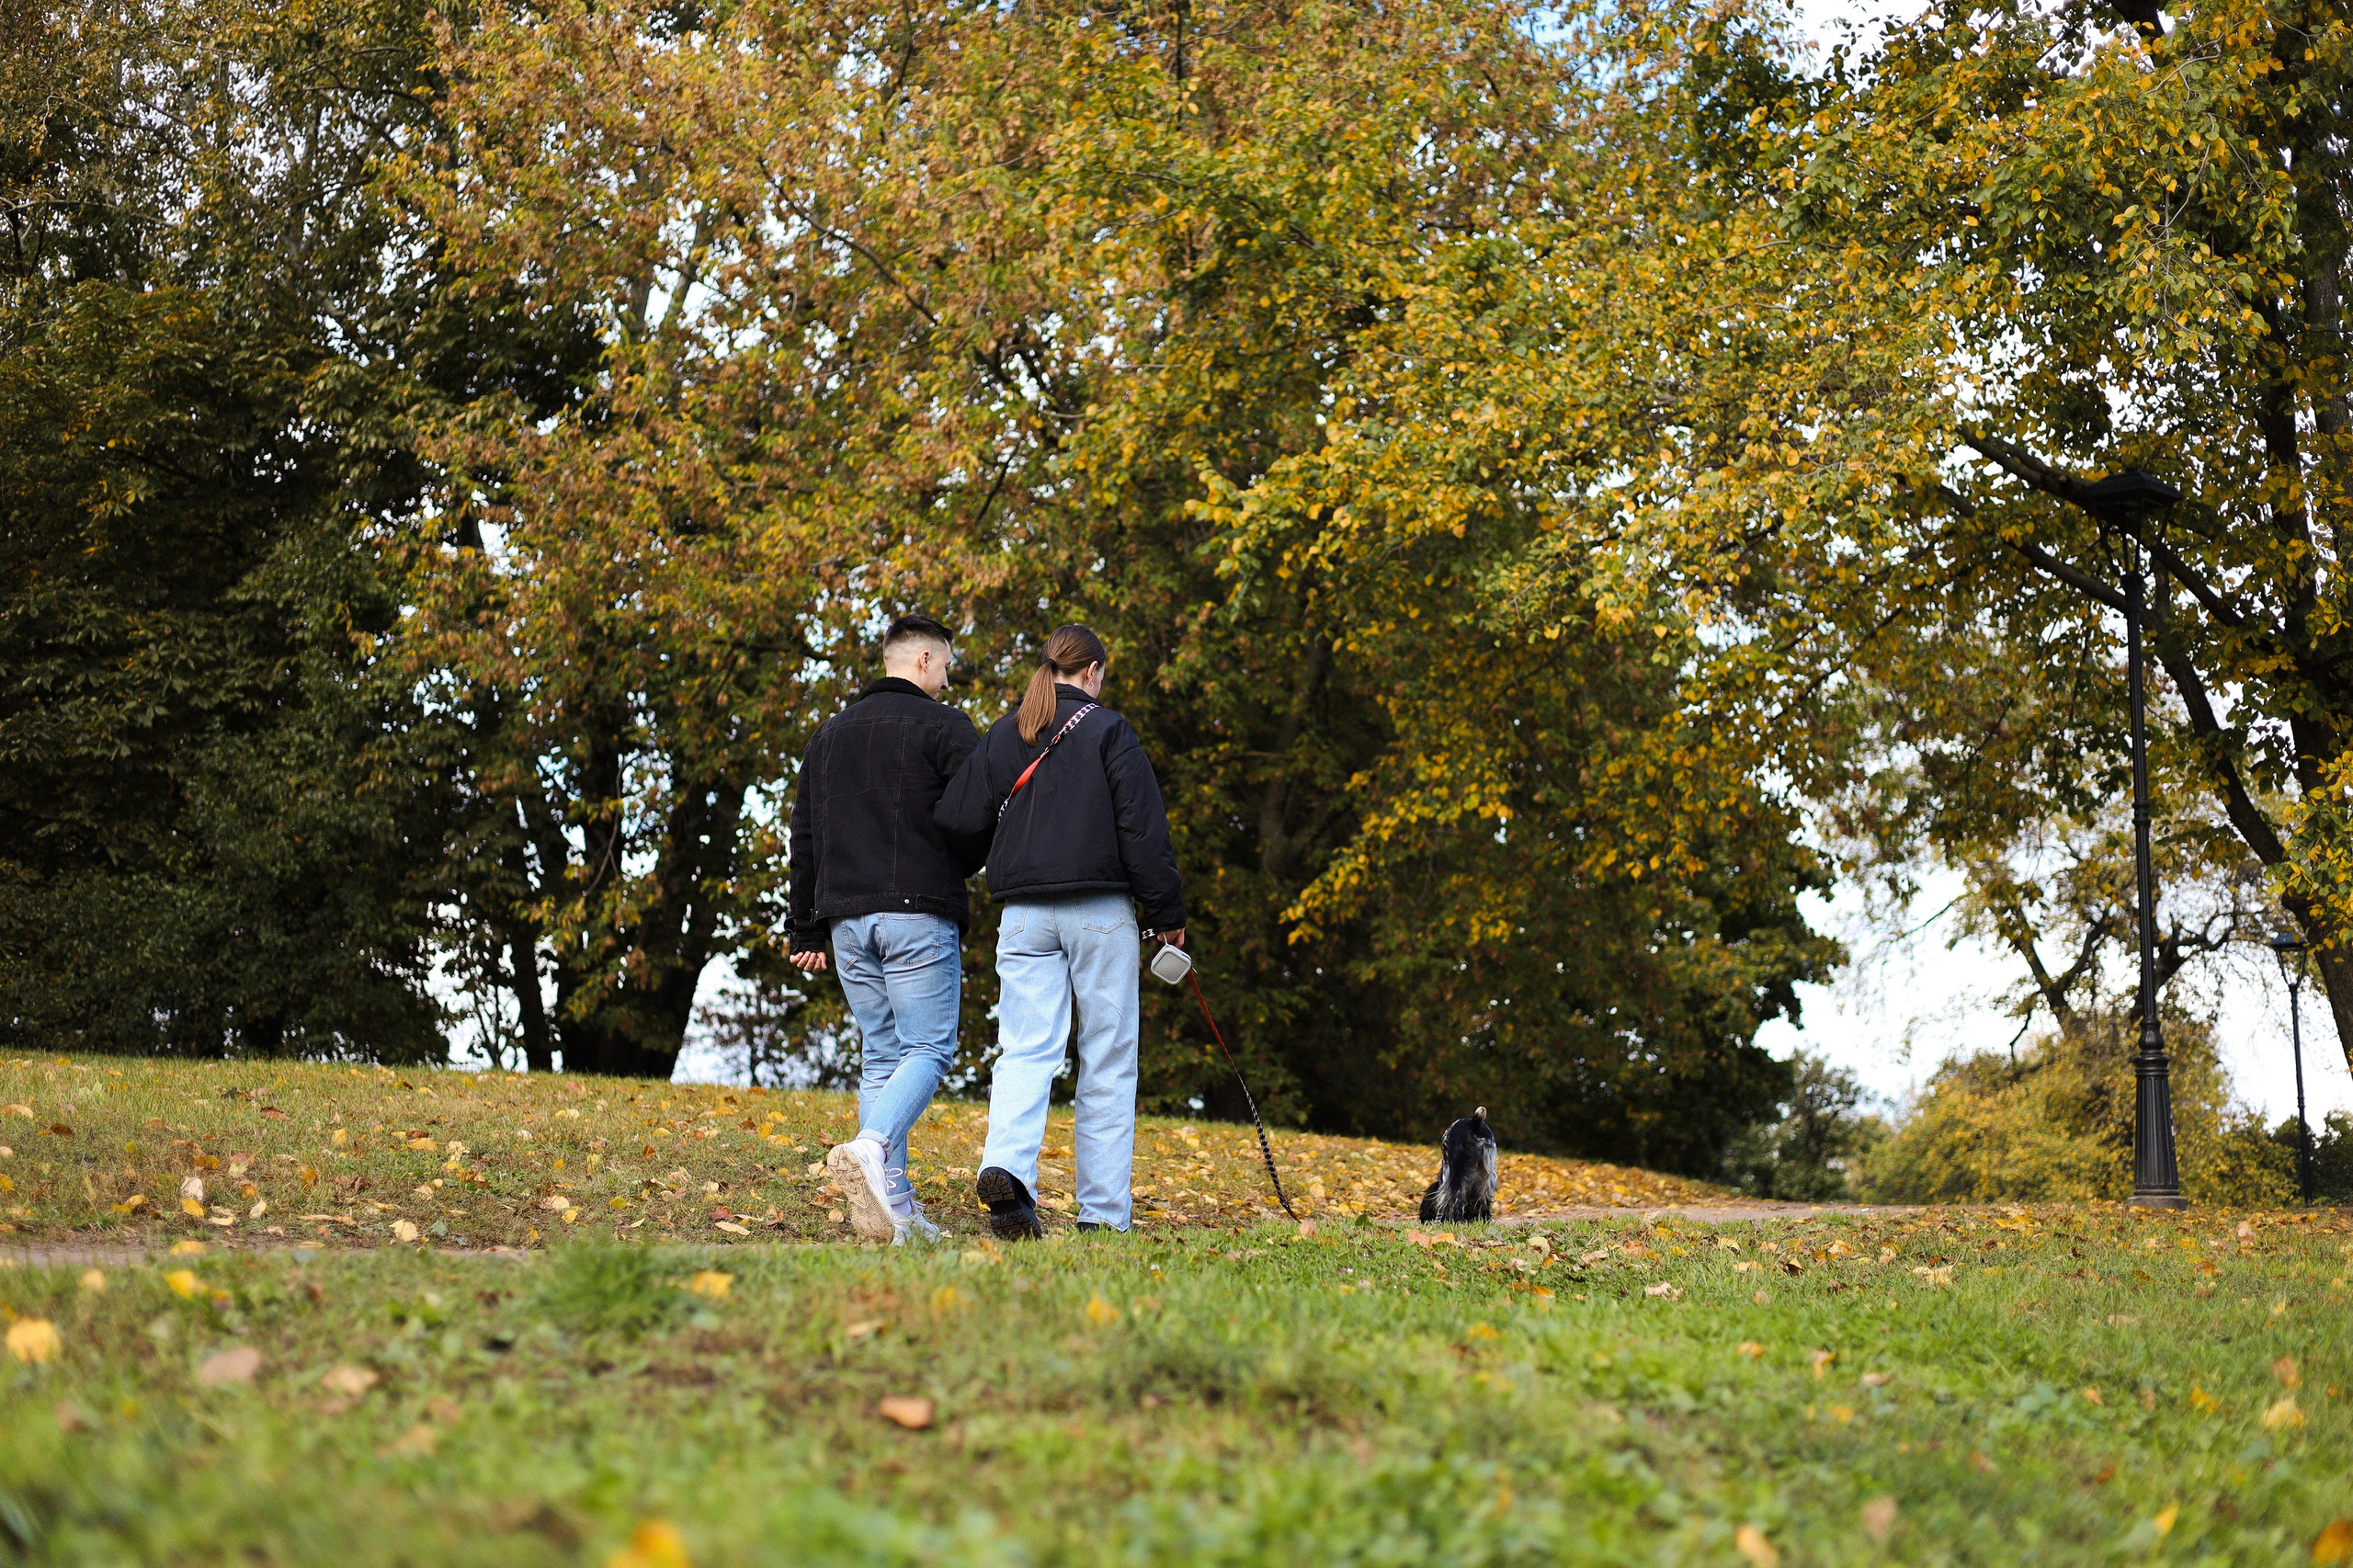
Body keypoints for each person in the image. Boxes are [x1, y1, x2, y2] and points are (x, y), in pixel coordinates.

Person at [936, 624, 1186, 1239]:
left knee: (1026, 1048)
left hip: (1023, 913)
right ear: (1094, 671)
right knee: (1106, 1060)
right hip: (1100, 912)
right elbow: (1143, 833)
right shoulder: (1110, 732)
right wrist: (1166, 914)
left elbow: (957, 818)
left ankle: (1007, 1169)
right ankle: (1102, 1216)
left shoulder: (1006, 733)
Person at [788, 613, 983, 1244]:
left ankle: (897, 1216)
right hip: (917, 914)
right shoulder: (946, 727)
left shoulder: (827, 737)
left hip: (845, 921)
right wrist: (966, 867)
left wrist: (805, 930)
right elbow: (978, 814)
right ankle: (870, 1147)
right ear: (924, 661)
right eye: (947, 666)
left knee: (882, 1058)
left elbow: (805, 837)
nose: (948, 679)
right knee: (929, 1050)